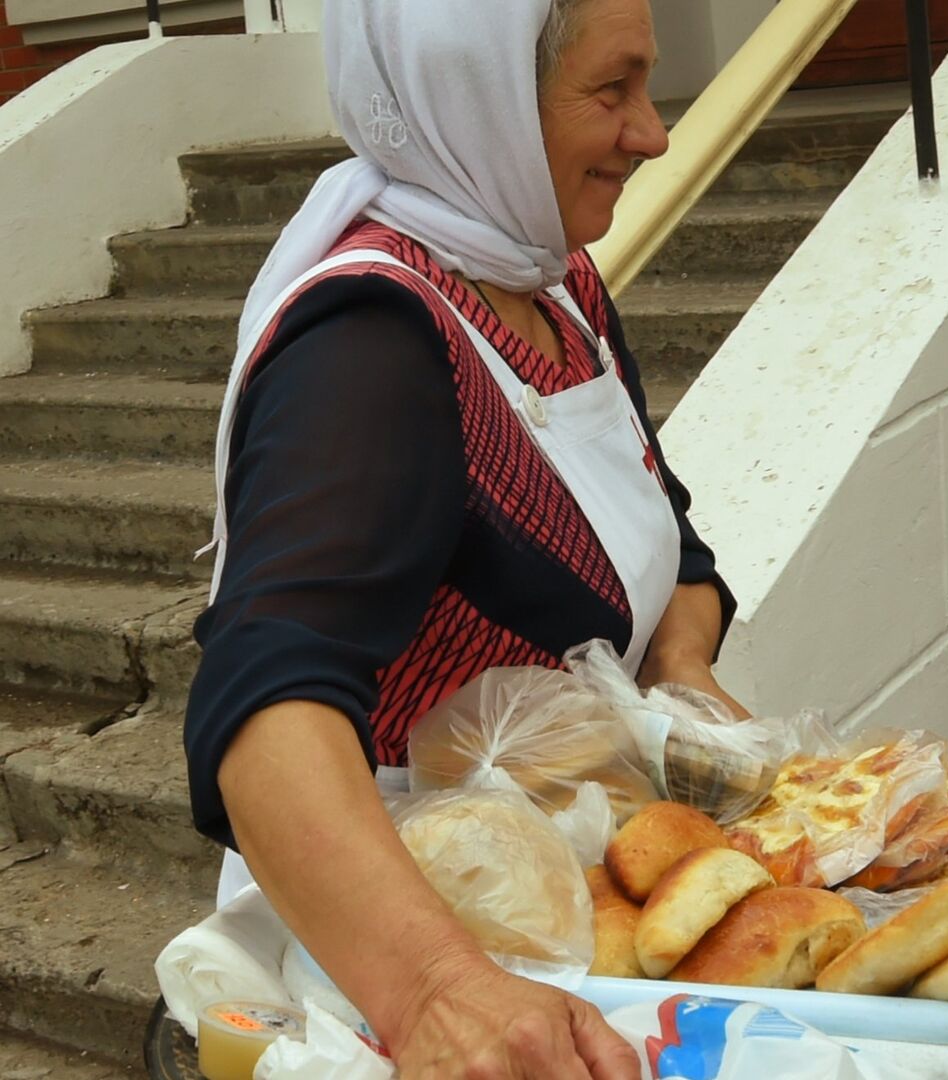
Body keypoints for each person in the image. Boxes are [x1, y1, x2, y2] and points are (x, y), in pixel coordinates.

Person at [183, 0, 739, 1074]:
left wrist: (680, 678)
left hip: (568, 896)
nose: (655, 132)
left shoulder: (557, 282)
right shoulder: (375, 340)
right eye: (611, 90)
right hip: (410, 952)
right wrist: (437, 991)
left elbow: (671, 533)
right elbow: (264, 696)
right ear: (477, 97)